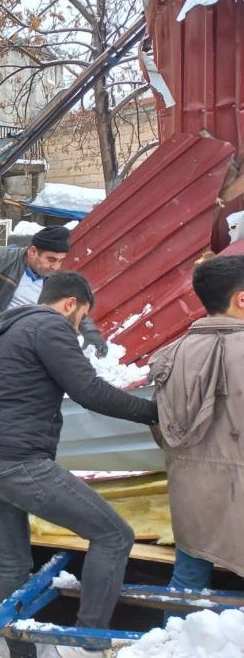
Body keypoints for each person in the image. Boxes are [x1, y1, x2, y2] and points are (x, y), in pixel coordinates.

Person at [0, 272, 157, 658]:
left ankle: (21, 652)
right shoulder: (51, 327)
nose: (80, 325)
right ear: (71, 304)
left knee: (14, 557)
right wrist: (153, 412)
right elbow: (89, 390)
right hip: (17, 460)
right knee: (114, 536)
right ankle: (90, 640)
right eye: (82, 315)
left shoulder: (7, 331)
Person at [149, 255, 244, 596]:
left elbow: (161, 430)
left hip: (191, 499)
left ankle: (170, 645)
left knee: (186, 586)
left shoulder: (168, 356)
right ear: (241, 299)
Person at [0, 226, 108, 356]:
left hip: (25, 341)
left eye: (60, 261)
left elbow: (72, 307)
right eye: (51, 259)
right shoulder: (2, 257)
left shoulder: (54, 280)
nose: (55, 267)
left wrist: (91, 334)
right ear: (32, 252)